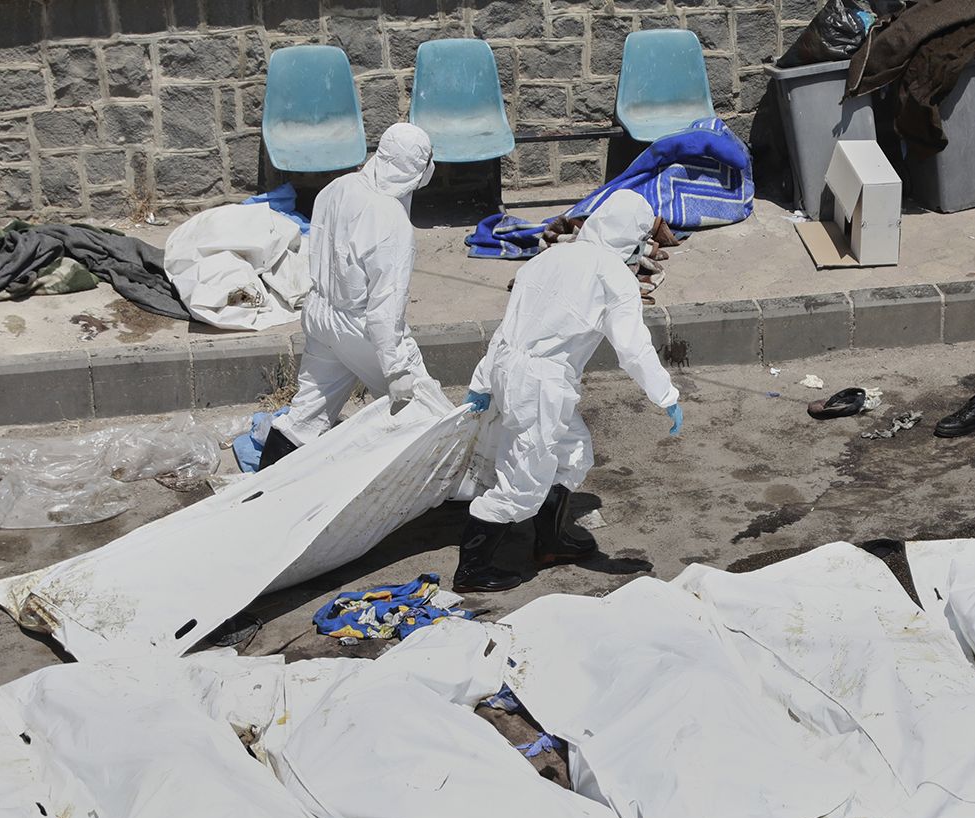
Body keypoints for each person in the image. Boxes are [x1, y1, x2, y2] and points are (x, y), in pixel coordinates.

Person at [454, 191, 683, 593]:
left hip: (512, 371)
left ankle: (551, 541)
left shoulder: (544, 260)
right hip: (541, 386)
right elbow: (633, 348)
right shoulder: (614, 277)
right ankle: (473, 570)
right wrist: (665, 395)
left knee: (573, 452)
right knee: (522, 481)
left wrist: (482, 382)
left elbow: (507, 329)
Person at [260, 123, 444, 468]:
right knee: (427, 416)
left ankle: (257, 494)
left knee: (305, 416)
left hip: (321, 314)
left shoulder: (338, 187)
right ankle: (444, 505)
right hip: (361, 330)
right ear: (416, 168)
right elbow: (384, 310)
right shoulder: (392, 222)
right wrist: (396, 369)